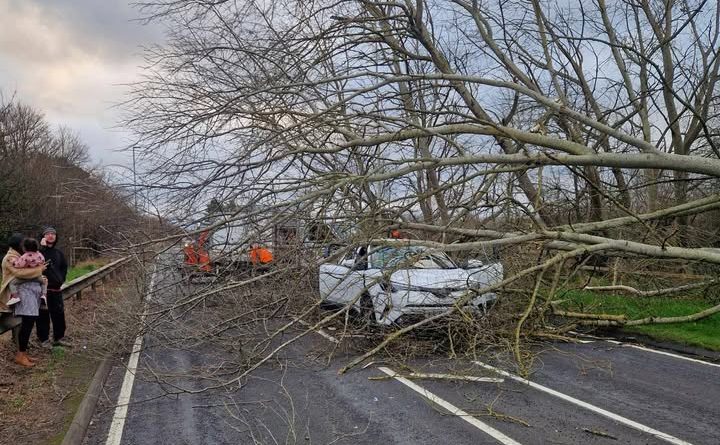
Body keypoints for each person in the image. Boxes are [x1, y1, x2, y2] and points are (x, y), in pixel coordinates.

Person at [0, 233, 45, 367]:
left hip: (26, 295)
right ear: (18, 245)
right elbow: (20, 273)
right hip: (16, 296)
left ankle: (23, 353)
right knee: (27, 323)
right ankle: (20, 355)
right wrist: (40, 270)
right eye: (22, 244)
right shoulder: (10, 258)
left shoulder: (21, 256)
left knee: (28, 323)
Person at [36, 226, 70, 348]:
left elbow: (64, 267)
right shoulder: (38, 253)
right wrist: (42, 248)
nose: (51, 236)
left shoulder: (59, 253)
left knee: (59, 314)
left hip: (56, 289)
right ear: (43, 237)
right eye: (48, 234)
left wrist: (61, 279)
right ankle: (44, 339)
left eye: (53, 234)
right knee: (43, 316)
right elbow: (33, 266)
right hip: (43, 291)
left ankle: (59, 337)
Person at [7, 238, 48, 307]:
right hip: (37, 277)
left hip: (26, 278)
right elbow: (43, 261)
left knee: (12, 283)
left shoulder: (25, 256)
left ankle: (15, 296)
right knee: (44, 282)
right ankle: (44, 295)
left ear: (24, 248)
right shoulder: (39, 255)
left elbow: (18, 265)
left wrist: (13, 261)